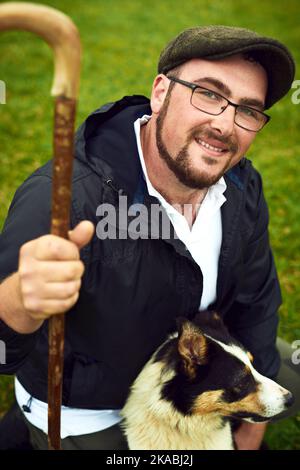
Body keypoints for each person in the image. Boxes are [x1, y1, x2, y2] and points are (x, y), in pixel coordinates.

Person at [0, 25, 299, 450]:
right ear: (161, 92)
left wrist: (252, 428)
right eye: (209, 94)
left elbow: (256, 303)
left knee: (292, 370)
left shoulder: (241, 185)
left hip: (199, 373)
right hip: (93, 408)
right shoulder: (65, 198)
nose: (224, 124)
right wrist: (18, 301)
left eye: (248, 110)